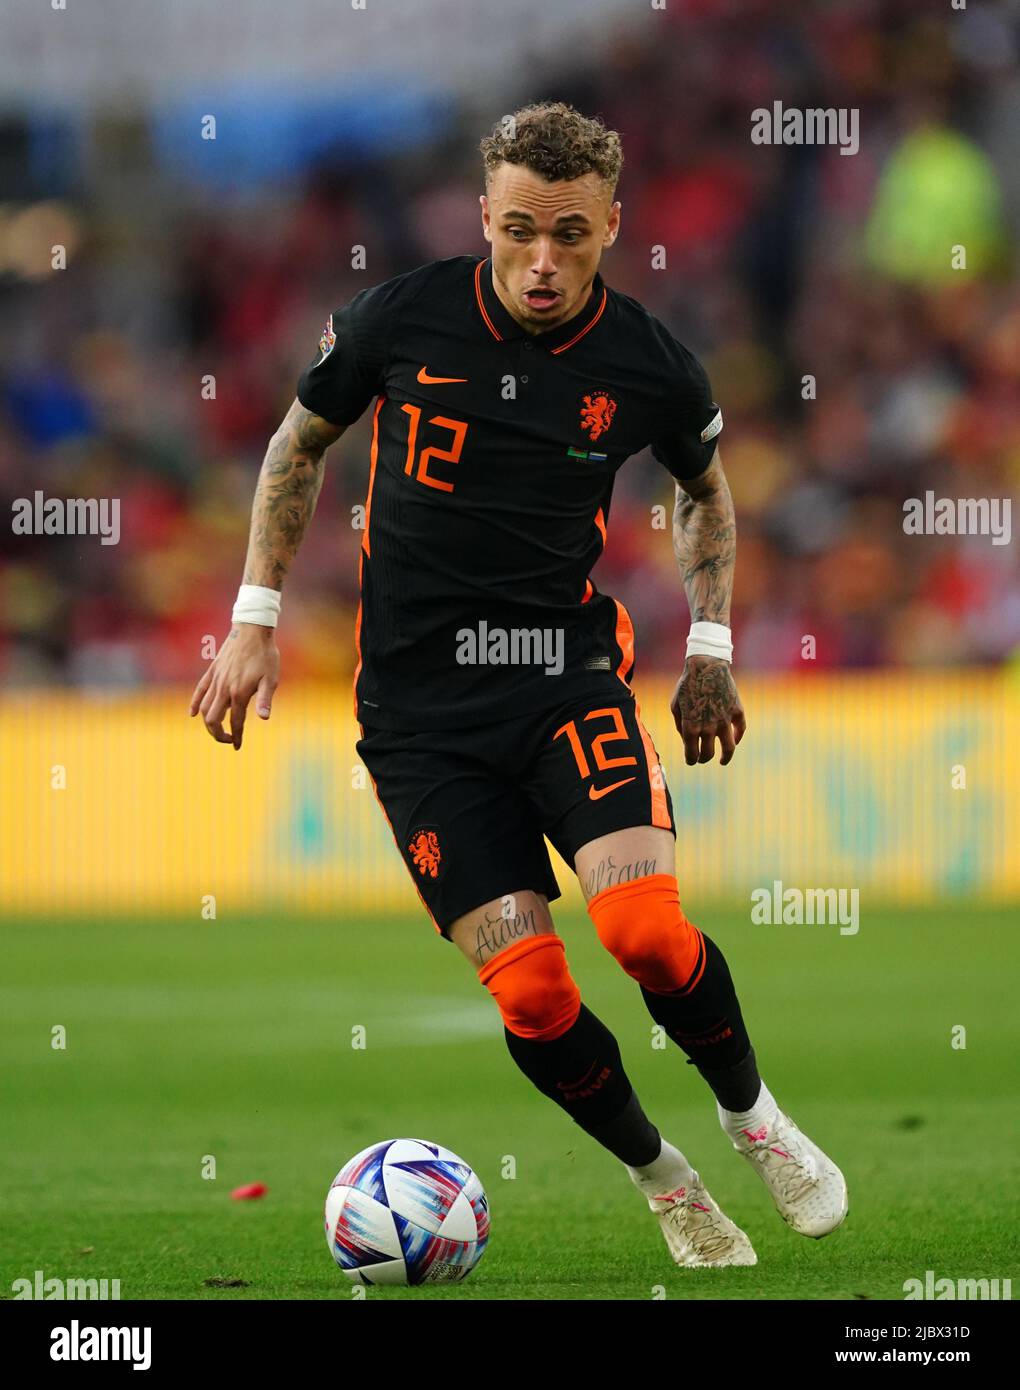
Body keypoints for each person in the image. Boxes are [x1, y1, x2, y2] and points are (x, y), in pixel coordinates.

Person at [190, 101, 847, 1268]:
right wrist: (251, 620)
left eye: (574, 236)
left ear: (613, 227)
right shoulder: (399, 318)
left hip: (566, 680)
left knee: (644, 930)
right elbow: (298, 446)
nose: (544, 263)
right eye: (523, 231)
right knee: (535, 996)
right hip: (420, 724)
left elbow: (707, 492)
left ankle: (757, 1121)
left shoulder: (647, 361)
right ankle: (667, 1180)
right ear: (485, 214)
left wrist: (711, 646)